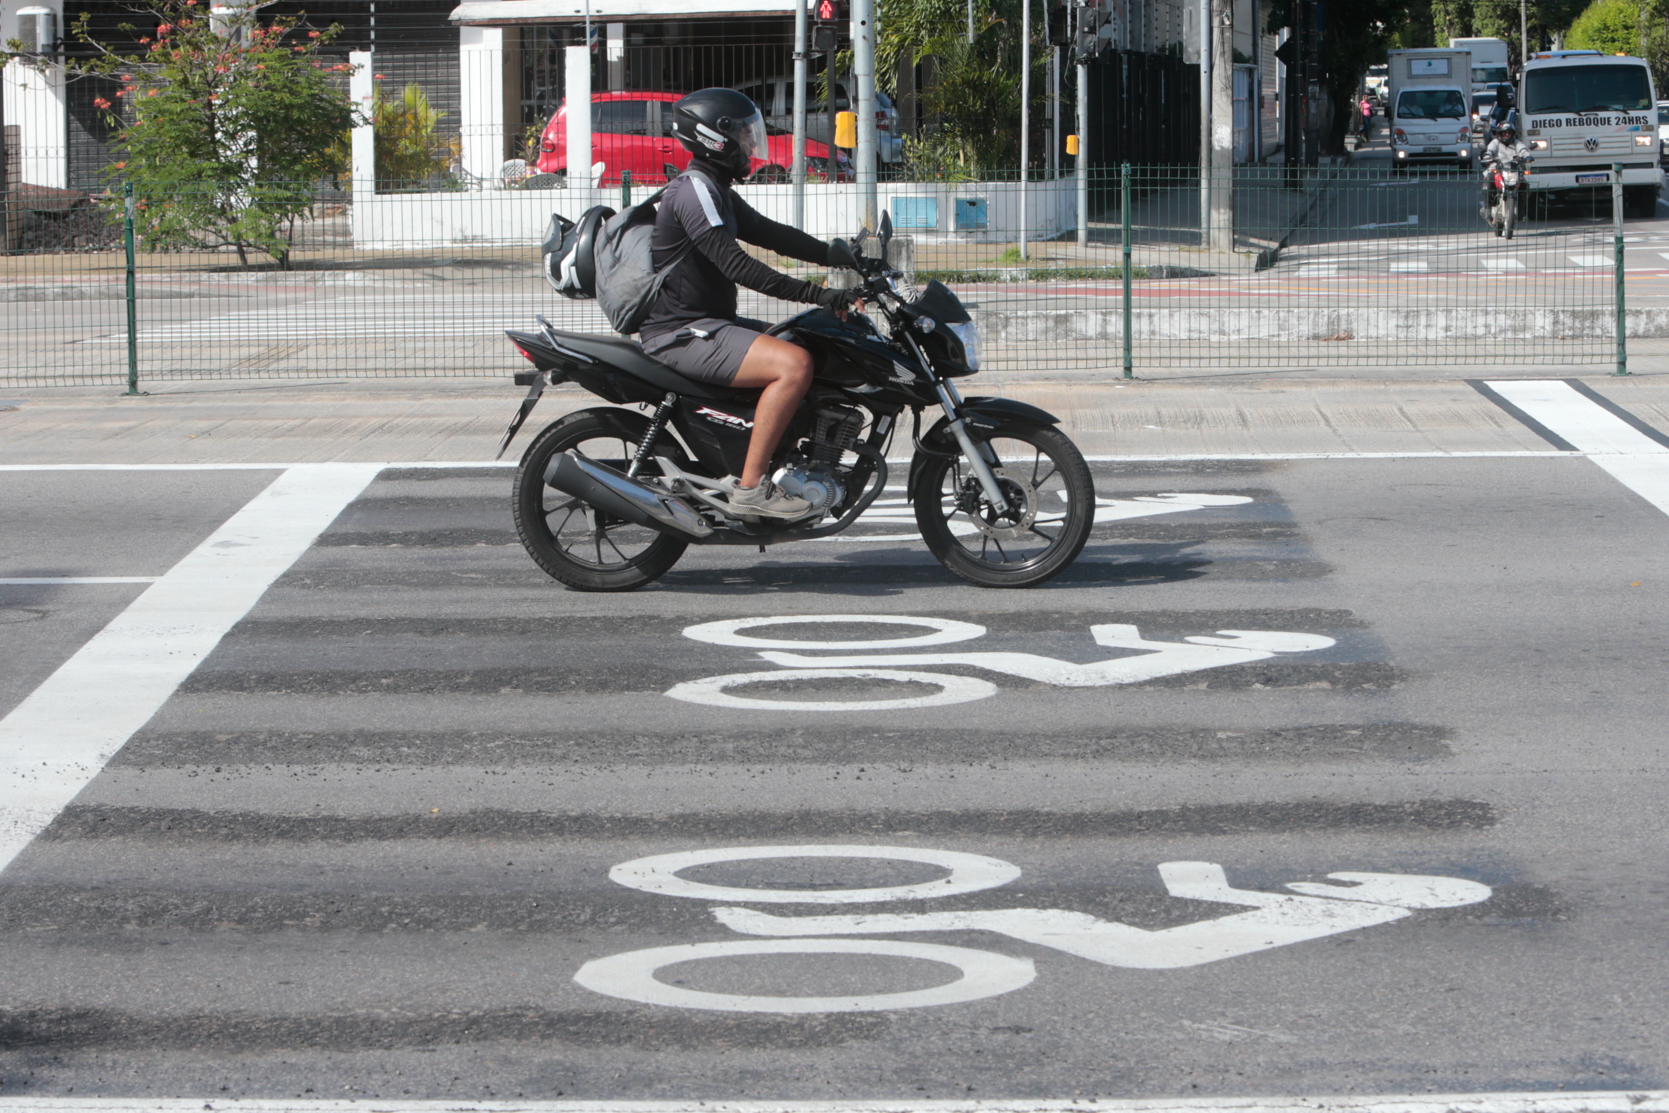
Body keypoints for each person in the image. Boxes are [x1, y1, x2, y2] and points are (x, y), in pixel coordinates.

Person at [638, 87, 864, 520]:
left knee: (805, 338)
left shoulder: (715, 187)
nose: (750, 144)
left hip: (707, 324)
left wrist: (836, 254)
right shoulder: (693, 192)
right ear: (714, 138)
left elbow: (771, 233)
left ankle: (778, 459)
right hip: (682, 332)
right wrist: (817, 293)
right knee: (794, 364)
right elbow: (736, 265)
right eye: (743, 135)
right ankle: (750, 489)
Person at [1480, 117, 1532, 216]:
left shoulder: (1517, 143)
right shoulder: (1495, 143)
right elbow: (1490, 150)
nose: (1507, 135)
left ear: (1513, 134)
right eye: (1504, 133)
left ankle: (1521, 210)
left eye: (1509, 133)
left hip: (1513, 169)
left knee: (1525, 184)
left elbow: (1523, 150)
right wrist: (1488, 156)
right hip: (1497, 168)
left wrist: (1527, 156)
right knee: (1489, 179)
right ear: (1499, 134)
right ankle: (1487, 208)